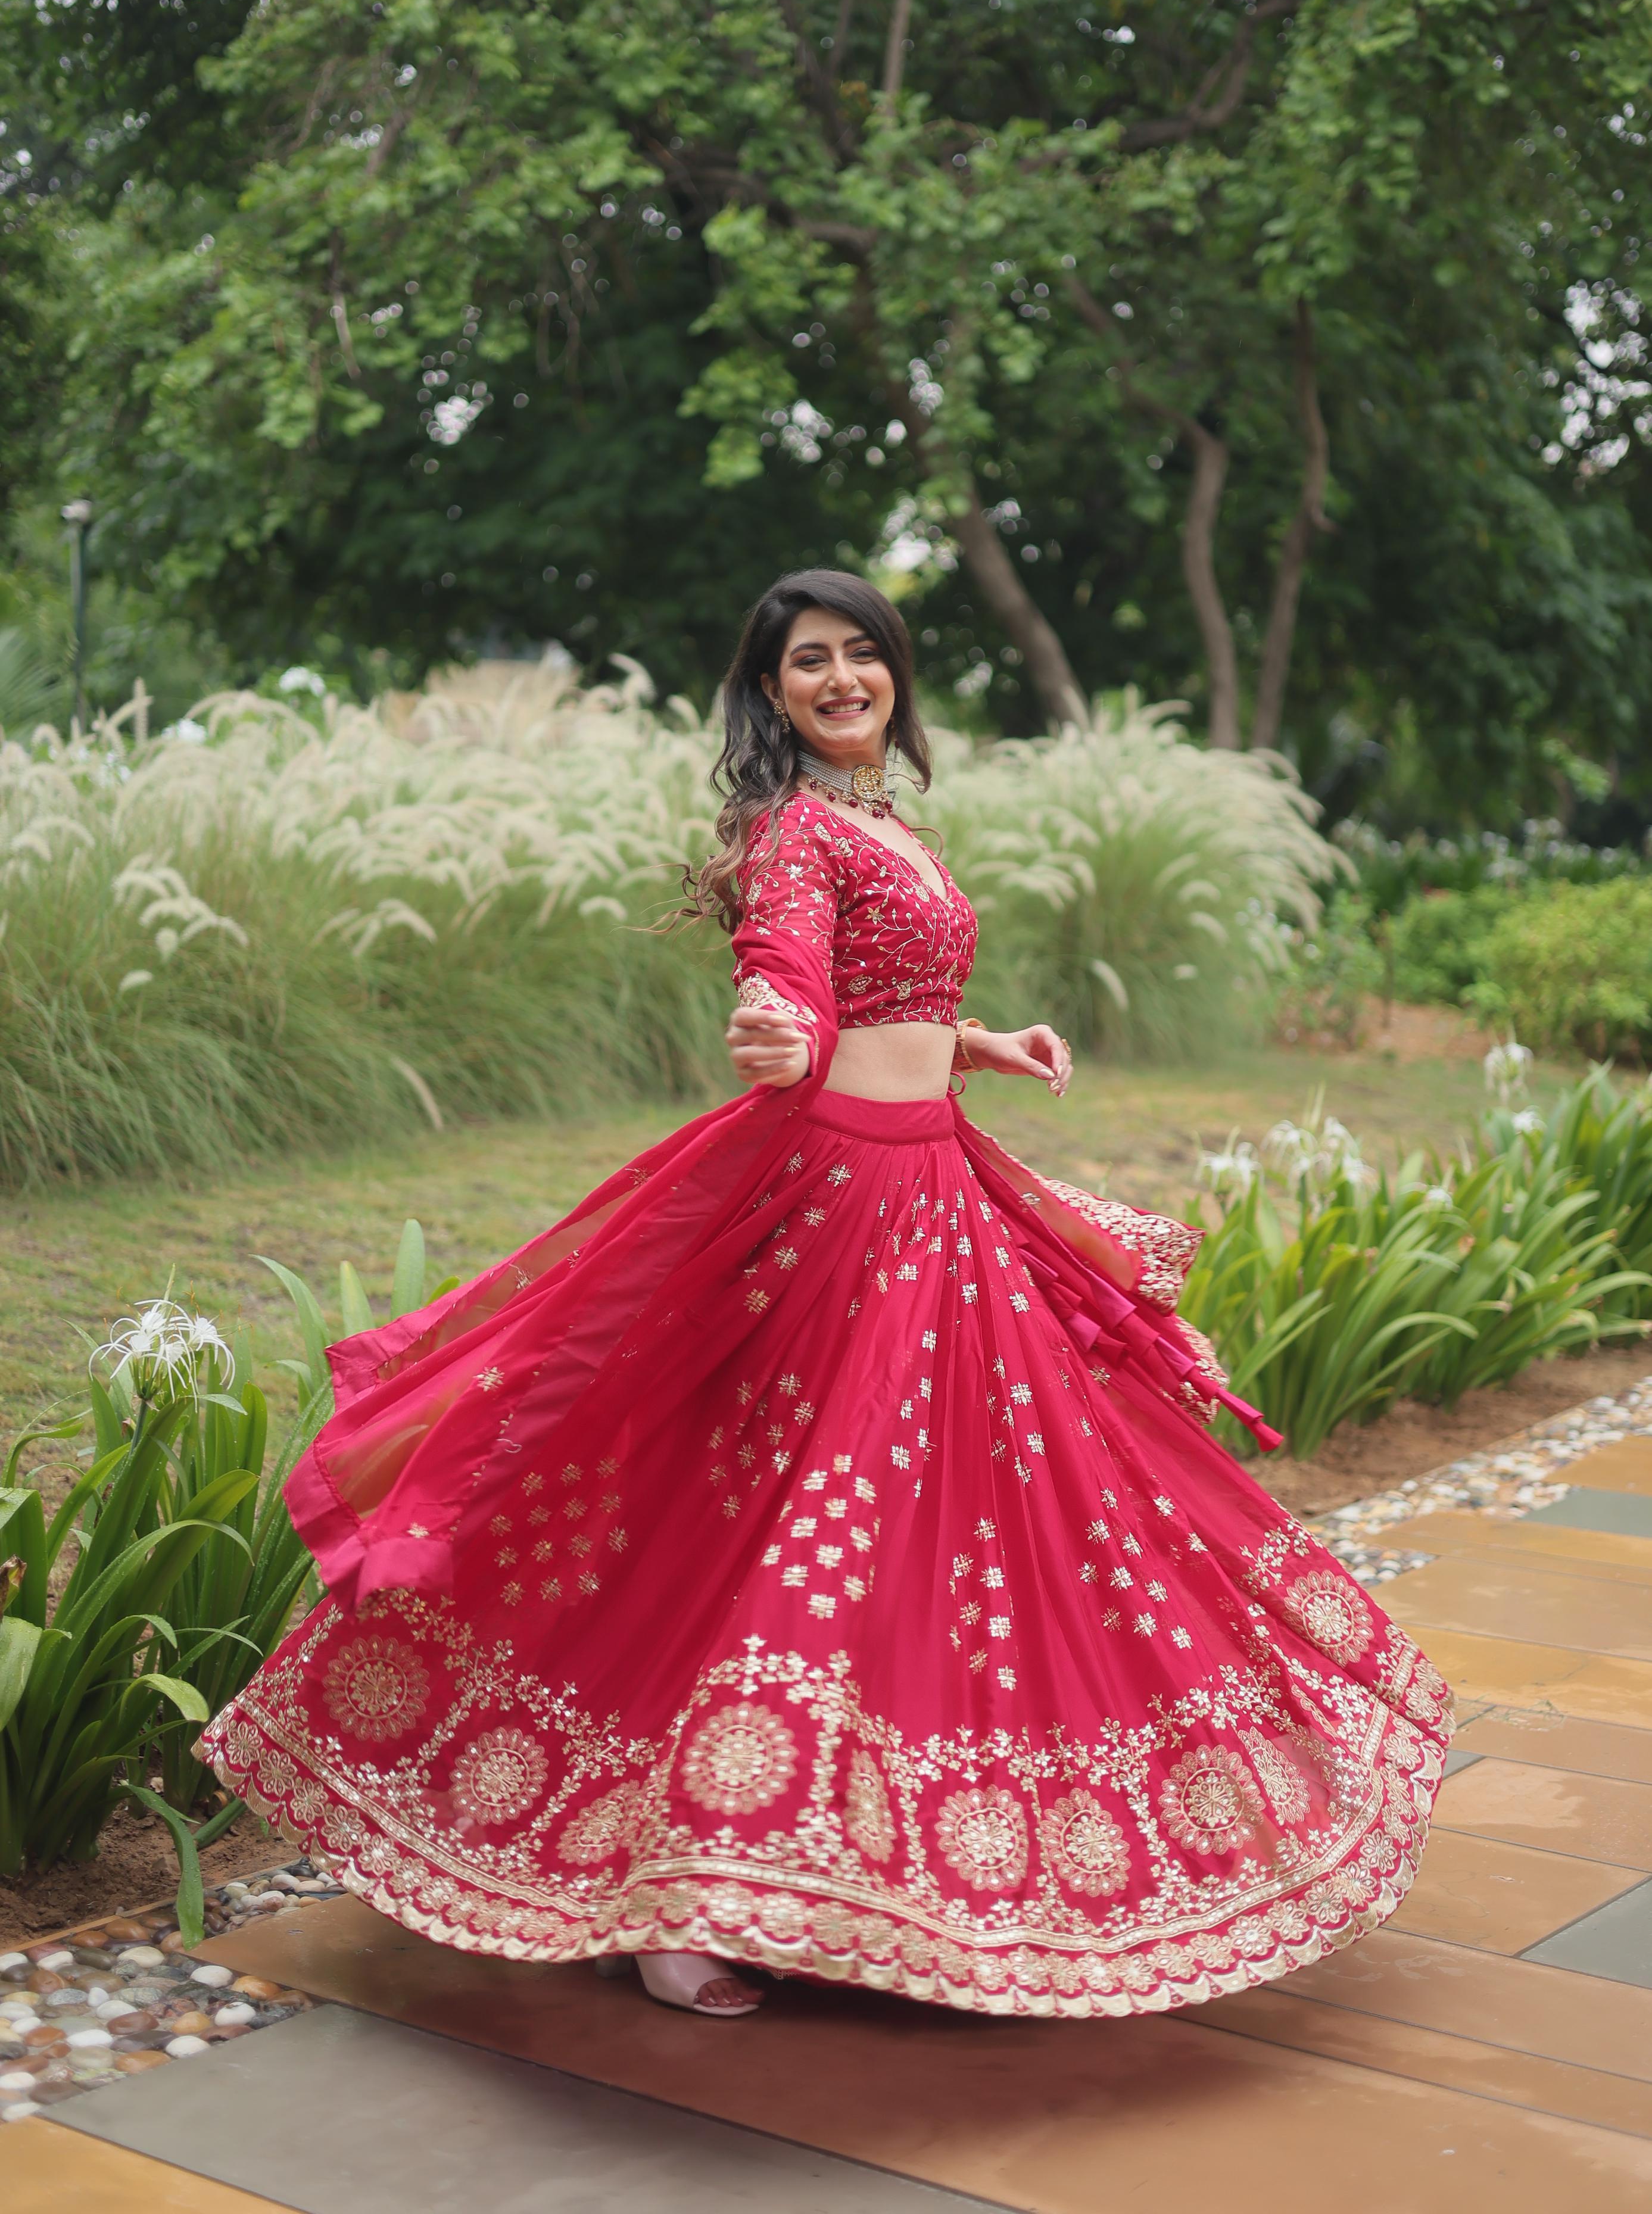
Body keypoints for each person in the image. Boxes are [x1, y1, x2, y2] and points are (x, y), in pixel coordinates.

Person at [201, 570, 1451, 2021]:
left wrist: (980, 1040)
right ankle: (691, 1899)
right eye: (812, 662)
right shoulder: (797, 830)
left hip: (929, 1184)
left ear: (895, 675)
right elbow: (789, 975)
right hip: (843, 1210)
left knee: (917, 1516)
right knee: (808, 1514)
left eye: (865, 653)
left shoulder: (883, 822)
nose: (844, 678)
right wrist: (773, 1018)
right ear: (772, 689)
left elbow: (879, 997)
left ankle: (815, 1861)